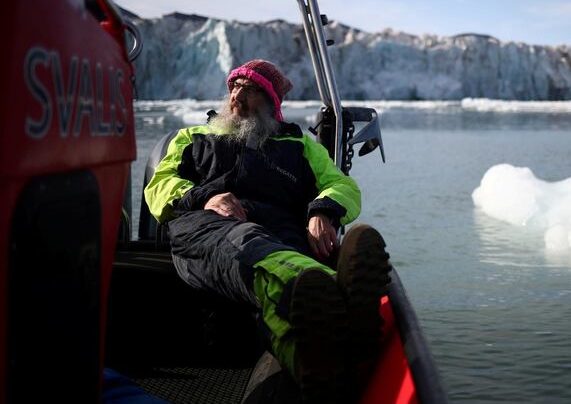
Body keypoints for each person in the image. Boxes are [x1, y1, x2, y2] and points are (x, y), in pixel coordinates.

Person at [143, 59, 390, 401]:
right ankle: (336, 293)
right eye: (234, 86)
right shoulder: (193, 137)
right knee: (246, 241)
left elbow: (341, 185)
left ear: (272, 102)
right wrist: (206, 197)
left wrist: (323, 213)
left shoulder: (299, 144)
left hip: (281, 234)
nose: (238, 95)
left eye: (252, 89)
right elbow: (160, 187)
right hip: (205, 229)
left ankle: (309, 363)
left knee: (277, 288)